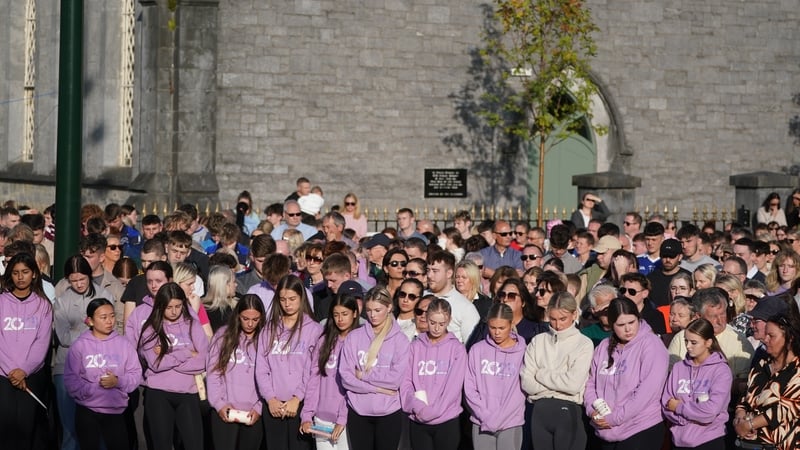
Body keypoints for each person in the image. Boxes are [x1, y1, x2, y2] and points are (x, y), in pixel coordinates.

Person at [584, 297, 669, 448]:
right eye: (621, 325)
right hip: (605, 429)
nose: (628, 329)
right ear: (611, 325)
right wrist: (592, 411)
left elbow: (647, 391)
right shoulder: (603, 347)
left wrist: (614, 418)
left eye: (632, 322)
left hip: (640, 428)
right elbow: (591, 384)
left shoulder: (651, 344)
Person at [53, 255, 115, 450]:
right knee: (70, 428)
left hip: (99, 365)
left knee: (100, 427)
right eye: (73, 281)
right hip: (67, 366)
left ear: (89, 276)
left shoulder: (105, 295)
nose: (79, 284)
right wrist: (91, 331)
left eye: (82, 279)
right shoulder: (62, 301)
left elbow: (109, 332)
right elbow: (62, 337)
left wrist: (80, 331)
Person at [137, 282, 210, 450]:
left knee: (195, 444)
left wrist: (168, 356)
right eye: (169, 307)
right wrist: (185, 353)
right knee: (161, 444)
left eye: (178, 306)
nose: (174, 311)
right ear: (161, 306)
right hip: (159, 394)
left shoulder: (193, 324)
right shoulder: (150, 329)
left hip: (188, 393)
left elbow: (203, 360)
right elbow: (155, 364)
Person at [64, 298, 142, 450]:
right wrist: (92, 389)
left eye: (112, 316)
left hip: (116, 411)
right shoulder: (80, 345)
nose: (109, 321)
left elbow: (135, 373)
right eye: (103, 317)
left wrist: (117, 381)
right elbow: (71, 379)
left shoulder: (123, 344)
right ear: (90, 321)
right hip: (87, 410)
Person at [338, 286, 411, 450]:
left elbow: (394, 381)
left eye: (378, 310)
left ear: (389, 307)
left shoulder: (400, 341)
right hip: (358, 411)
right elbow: (346, 378)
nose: (373, 315)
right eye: (369, 310)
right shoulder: (354, 337)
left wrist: (363, 376)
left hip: (388, 413)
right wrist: (379, 389)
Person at [256, 274, 322, 450]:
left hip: (300, 405)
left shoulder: (314, 330)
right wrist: (270, 398)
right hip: (273, 405)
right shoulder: (268, 330)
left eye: (292, 299)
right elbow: (261, 369)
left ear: (302, 298)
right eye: (283, 299)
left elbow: (313, 370)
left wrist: (297, 398)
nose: (287, 304)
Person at [521, 292, 593, 450]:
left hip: (569, 411)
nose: (558, 325)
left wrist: (540, 374)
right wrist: (559, 383)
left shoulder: (584, 344)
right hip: (538, 411)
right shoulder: (538, 341)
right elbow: (527, 384)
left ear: (574, 314)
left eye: (563, 319)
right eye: (553, 319)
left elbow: (573, 385)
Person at [0, 253, 53, 449]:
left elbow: (42, 343)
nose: (20, 277)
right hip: (4, 377)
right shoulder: (1, 302)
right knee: (5, 430)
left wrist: (24, 370)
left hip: (30, 376)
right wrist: (11, 371)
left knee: (27, 429)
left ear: (34, 274)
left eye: (25, 272)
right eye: (15, 273)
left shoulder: (43, 305)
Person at [400, 298, 466, 450]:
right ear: (426, 318)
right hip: (418, 417)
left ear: (448, 320)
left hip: (446, 419)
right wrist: (417, 407)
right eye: (432, 322)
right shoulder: (415, 346)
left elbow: (453, 388)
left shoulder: (457, 349)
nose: (436, 328)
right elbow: (406, 382)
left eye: (441, 324)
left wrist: (433, 411)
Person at [301, 292, 362, 450]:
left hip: (346, 419)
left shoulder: (359, 342)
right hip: (321, 418)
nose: (340, 319)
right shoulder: (324, 341)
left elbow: (354, 386)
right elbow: (314, 379)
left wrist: (342, 419)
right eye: (336, 314)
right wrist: (307, 414)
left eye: (345, 314)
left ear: (355, 313)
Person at [661, 318, 732, 450]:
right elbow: (666, 403)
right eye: (686, 341)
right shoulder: (678, 367)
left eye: (694, 342)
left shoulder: (721, 370)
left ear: (708, 342)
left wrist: (680, 408)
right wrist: (685, 419)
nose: (688, 346)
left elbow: (710, 412)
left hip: (709, 441)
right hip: (678, 441)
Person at [206, 294, 266, 450]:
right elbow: (214, 374)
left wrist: (259, 407)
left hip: (253, 413)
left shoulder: (266, 339)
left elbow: (270, 378)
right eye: (245, 318)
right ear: (238, 316)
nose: (250, 324)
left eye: (255, 319)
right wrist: (219, 404)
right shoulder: (223, 336)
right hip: (225, 411)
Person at [464, 303, 526, 450]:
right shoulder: (477, 350)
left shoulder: (524, 351)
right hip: (481, 421)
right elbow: (470, 388)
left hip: (511, 422)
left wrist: (499, 418)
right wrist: (485, 415)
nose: (497, 332)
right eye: (492, 328)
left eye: (501, 328)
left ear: (511, 324)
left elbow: (520, 392)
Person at [734, 312, 800, 449]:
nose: (765, 339)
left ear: (790, 339)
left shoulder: (797, 370)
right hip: (747, 444)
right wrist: (739, 417)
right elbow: (745, 397)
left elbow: (785, 409)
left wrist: (750, 424)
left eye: (772, 336)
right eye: (766, 334)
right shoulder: (761, 365)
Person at [203, 264, 238, 332]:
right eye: (233, 282)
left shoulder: (237, 305)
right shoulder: (204, 310)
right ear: (224, 284)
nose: (236, 285)